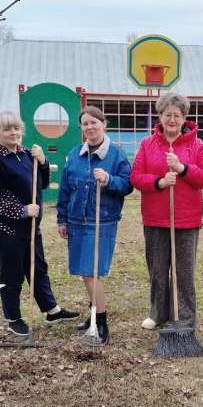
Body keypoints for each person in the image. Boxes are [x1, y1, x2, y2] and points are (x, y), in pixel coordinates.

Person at [0, 110, 79, 336]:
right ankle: (13, 317)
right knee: (12, 272)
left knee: (38, 267)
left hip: (30, 226)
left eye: (16, 128)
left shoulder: (25, 154)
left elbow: (41, 184)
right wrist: (21, 210)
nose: (13, 133)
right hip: (5, 228)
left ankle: (51, 310)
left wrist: (43, 162)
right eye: (7, 129)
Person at [130, 92, 203, 330]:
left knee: (184, 272)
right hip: (155, 218)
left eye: (177, 115)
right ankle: (158, 313)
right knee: (157, 270)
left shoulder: (197, 145)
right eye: (168, 115)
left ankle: (185, 318)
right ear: (160, 116)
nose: (172, 120)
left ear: (184, 118)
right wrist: (159, 182)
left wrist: (182, 168)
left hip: (187, 220)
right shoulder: (147, 145)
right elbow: (136, 177)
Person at [56, 106, 133, 345]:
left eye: (94, 123)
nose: (90, 127)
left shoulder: (116, 155)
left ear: (104, 123)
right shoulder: (74, 154)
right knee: (84, 272)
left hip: (102, 221)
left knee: (92, 272)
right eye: (85, 124)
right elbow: (65, 189)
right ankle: (92, 315)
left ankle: (101, 324)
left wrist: (109, 180)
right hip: (77, 222)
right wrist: (62, 218)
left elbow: (128, 185)